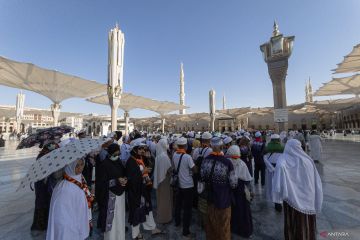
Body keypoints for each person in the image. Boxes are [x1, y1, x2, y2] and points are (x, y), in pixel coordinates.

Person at [272, 139, 323, 240]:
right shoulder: (308, 160)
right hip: (309, 198)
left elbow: (280, 168)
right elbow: (316, 182)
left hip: (292, 199)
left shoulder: (284, 160)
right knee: (307, 223)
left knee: (294, 222)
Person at [200, 137, 237, 240]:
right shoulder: (227, 163)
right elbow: (234, 183)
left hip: (209, 200)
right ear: (222, 147)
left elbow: (202, 177)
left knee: (210, 227)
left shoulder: (205, 161)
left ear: (211, 147)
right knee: (223, 228)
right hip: (223, 201)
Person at [46, 158, 93, 240]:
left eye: (82, 164)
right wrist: (73, 229)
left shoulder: (80, 178)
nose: (80, 168)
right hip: (70, 229)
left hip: (80, 220)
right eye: (77, 165)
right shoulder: (63, 188)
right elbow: (61, 217)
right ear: (69, 166)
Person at [126, 138, 163, 240]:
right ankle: (136, 235)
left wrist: (148, 161)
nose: (143, 150)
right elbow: (131, 179)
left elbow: (148, 167)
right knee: (136, 213)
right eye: (140, 148)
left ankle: (152, 227)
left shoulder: (140, 159)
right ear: (134, 149)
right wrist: (142, 172)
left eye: (143, 148)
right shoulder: (131, 162)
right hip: (136, 193)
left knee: (147, 209)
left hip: (143, 189)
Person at [96, 143, 127, 240]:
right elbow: (102, 183)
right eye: (115, 154)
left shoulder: (118, 162)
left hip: (120, 195)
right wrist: (117, 181)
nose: (117, 156)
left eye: (119, 154)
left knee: (120, 219)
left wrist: (124, 179)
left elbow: (123, 173)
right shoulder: (104, 165)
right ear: (110, 153)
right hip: (110, 197)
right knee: (112, 222)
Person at [31, 142, 60, 233]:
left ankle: (44, 223)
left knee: (44, 202)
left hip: (44, 184)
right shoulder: (42, 157)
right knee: (41, 203)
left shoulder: (43, 155)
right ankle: (40, 225)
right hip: (41, 184)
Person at [173, 137, 197, 239]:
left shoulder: (174, 154)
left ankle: (177, 222)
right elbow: (195, 170)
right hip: (188, 185)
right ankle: (186, 232)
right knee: (187, 209)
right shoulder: (187, 157)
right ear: (186, 146)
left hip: (179, 184)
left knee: (178, 205)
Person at [227, 145, 253, 238]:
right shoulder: (241, 163)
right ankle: (243, 230)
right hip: (240, 191)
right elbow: (247, 180)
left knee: (232, 210)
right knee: (242, 210)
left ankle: (232, 228)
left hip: (229, 190)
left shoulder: (227, 162)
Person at [153, 138, 173, 224]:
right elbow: (169, 170)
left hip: (159, 180)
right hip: (165, 180)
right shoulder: (164, 157)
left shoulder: (159, 156)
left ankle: (161, 216)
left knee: (160, 200)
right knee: (165, 200)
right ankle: (165, 218)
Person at [264, 134, 284, 212]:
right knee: (280, 185)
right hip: (280, 170)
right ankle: (280, 202)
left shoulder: (267, 147)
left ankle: (276, 202)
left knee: (271, 185)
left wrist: (271, 168)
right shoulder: (282, 148)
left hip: (270, 170)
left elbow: (264, 158)